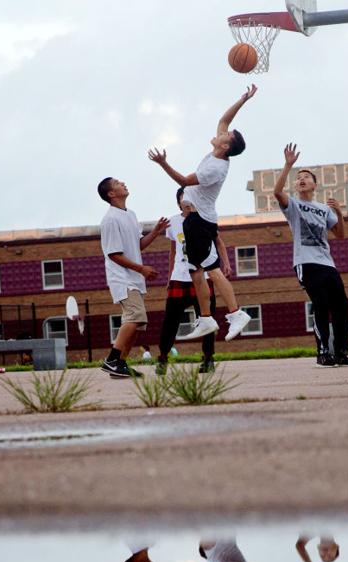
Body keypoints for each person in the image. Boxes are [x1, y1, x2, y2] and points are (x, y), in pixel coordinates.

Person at [147, 85, 258, 343]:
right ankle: (206, 319)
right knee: (195, 270)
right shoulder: (218, 148)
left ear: (227, 145)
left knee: (212, 270)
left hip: (200, 222)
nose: (222, 132)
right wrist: (242, 99)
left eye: (227, 134)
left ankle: (236, 313)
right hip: (194, 221)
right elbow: (224, 119)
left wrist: (163, 163)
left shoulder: (216, 168)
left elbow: (185, 180)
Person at [273, 143, 348, 367]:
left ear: (314, 185)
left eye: (306, 176)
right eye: (298, 177)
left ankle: (340, 351)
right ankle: (322, 352)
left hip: (327, 264)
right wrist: (288, 165)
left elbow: (340, 234)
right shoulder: (293, 205)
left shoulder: (323, 208)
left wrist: (338, 211)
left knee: (341, 306)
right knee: (320, 304)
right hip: (306, 263)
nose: (301, 179)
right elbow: (277, 192)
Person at [97, 177, 169, 378]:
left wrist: (155, 232)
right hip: (122, 278)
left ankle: (120, 365)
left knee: (138, 324)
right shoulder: (110, 219)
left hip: (134, 279)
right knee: (135, 317)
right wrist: (141, 268)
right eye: (118, 183)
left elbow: (137, 245)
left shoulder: (131, 215)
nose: (124, 184)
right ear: (111, 194)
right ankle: (112, 360)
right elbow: (113, 254)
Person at [159, 187, 231, 375]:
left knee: (206, 318)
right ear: (179, 200)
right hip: (179, 277)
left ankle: (208, 359)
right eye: (185, 196)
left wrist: (226, 263)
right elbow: (173, 251)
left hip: (203, 276)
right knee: (170, 321)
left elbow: (218, 242)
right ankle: (163, 357)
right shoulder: (174, 222)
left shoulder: (205, 218)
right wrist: (169, 277)